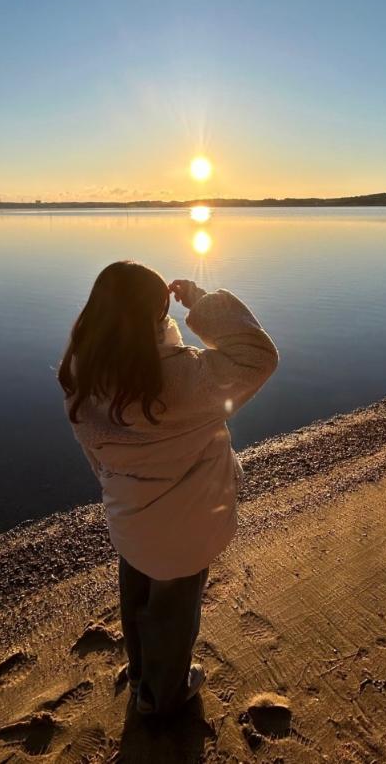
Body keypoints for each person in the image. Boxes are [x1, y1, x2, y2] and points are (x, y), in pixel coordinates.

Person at [58, 260, 279, 716]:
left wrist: (121, 494)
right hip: (188, 524)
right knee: (175, 615)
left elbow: (95, 460)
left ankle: (140, 673)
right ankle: (162, 696)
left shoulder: (82, 375)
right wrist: (203, 303)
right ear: (158, 317)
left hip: (130, 518)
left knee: (136, 596)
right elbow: (259, 356)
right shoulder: (190, 377)